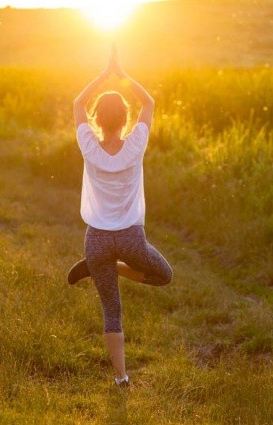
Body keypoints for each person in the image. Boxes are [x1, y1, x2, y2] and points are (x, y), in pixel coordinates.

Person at [68, 44, 173, 387]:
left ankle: (121, 379)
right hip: (130, 237)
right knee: (164, 275)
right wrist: (123, 76)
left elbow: (77, 104)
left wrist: (102, 75)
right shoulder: (136, 144)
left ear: (96, 119)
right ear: (127, 119)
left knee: (112, 312)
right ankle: (112, 267)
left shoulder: (87, 143)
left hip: (95, 240)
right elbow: (150, 104)